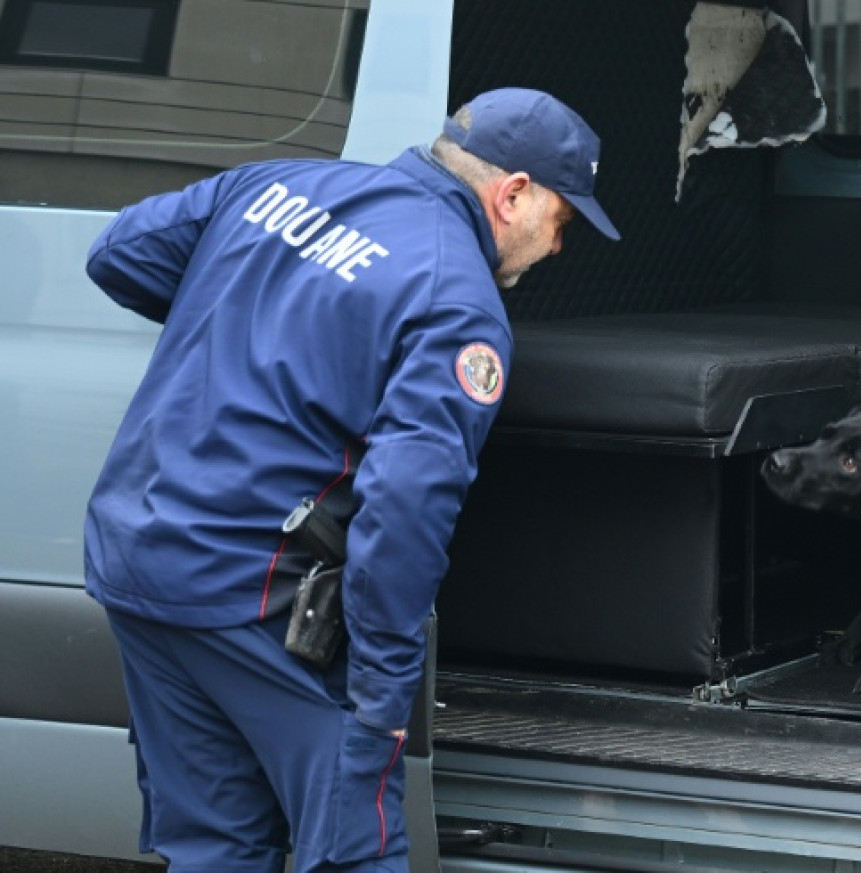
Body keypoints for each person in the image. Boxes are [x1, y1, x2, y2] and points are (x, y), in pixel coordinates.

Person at [82, 87, 619, 872]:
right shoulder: (455, 301)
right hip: (253, 599)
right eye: (561, 222)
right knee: (354, 850)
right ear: (511, 194)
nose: (557, 247)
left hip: (138, 562)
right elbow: (403, 514)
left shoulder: (278, 185)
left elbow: (119, 252)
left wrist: (263, 321)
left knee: (214, 846)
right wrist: (382, 697)